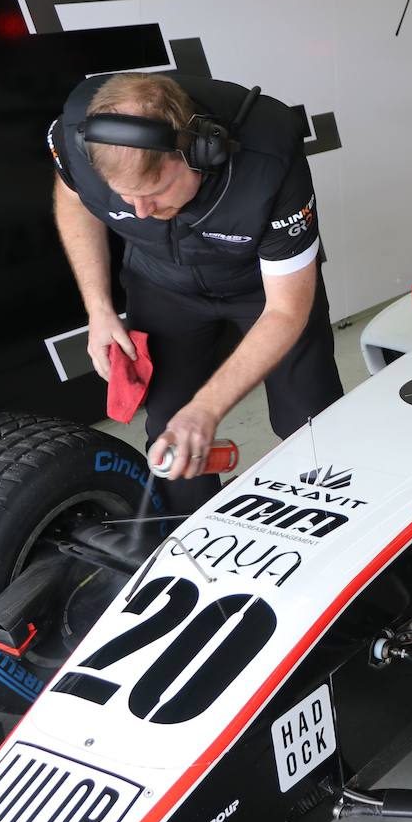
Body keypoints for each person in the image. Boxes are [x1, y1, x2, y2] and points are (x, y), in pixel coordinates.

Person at [49, 72, 344, 515]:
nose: (141, 212)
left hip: (262, 287)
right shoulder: (75, 137)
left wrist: (206, 409)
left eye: (155, 193)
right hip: (162, 283)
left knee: (311, 418)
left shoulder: (269, 158)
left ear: (198, 151)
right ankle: (190, 541)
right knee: (172, 435)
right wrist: (100, 309)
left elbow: (286, 310)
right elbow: (73, 199)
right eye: (125, 198)